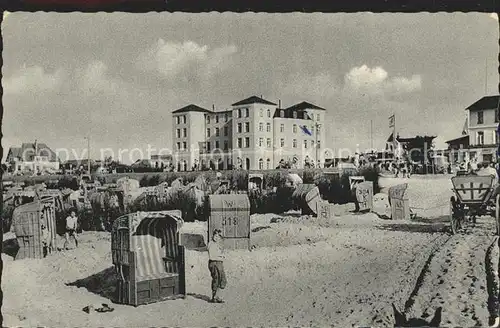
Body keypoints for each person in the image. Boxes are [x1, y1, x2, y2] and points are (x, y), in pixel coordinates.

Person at [207, 229, 226, 303]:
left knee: (222, 279)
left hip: (219, 263)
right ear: (213, 235)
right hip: (214, 263)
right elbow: (212, 256)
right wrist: (220, 256)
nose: (217, 237)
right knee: (216, 279)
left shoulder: (218, 244)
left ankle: (217, 296)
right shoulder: (211, 244)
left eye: (218, 236)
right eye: (215, 235)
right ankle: (215, 297)